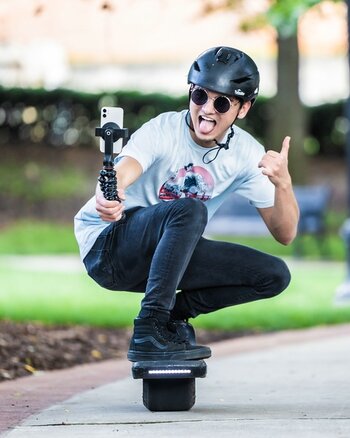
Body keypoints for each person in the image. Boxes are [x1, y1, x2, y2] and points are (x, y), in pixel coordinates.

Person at [74, 46, 299, 362]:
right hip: (111, 248)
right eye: (199, 97)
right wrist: (111, 192)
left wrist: (283, 184)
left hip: (168, 260)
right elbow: (127, 167)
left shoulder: (247, 153)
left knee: (274, 274)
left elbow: (285, 233)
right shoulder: (164, 129)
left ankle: (174, 315)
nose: (207, 109)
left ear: (243, 108)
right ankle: (148, 329)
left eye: (222, 102)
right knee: (190, 208)